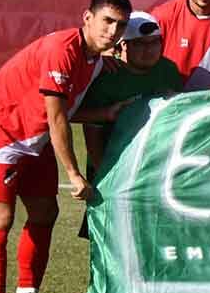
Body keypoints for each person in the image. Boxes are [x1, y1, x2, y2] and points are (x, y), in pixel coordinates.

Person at [0, 0, 131, 293]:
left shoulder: (98, 59)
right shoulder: (62, 49)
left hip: (34, 138)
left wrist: (105, 113)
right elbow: (57, 118)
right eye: (107, 21)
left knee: (44, 212)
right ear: (87, 17)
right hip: (0, 135)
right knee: (0, 220)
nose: (113, 30)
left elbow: (66, 112)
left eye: (120, 25)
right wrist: (74, 173)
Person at [76, 10, 183, 180]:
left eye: (155, 42)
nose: (149, 50)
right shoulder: (106, 76)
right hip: (112, 161)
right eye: (140, 44)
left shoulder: (168, 69)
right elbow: (93, 133)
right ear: (123, 45)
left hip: (156, 163)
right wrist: (105, 174)